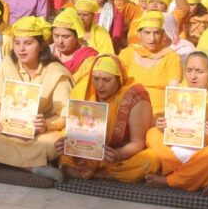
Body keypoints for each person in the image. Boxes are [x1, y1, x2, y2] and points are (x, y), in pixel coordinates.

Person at [0, 16, 74, 181]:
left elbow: (65, 116)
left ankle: (1, 158)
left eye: (28, 43)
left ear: (42, 45)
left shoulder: (56, 73)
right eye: (17, 43)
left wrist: (46, 124)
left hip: (38, 134)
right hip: (7, 129)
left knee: (55, 142)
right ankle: (31, 166)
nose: (21, 49)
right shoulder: (7, 64)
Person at [144, 50, 208, 191]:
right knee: (152, 133)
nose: (193, 77)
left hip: (207, 152)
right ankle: (198, 177)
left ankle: (171, 180)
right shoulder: (179, 92)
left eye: (199, 71)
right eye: (189, 70)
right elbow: (170, 125)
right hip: (178, 151)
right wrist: (163, 125)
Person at [56, 54, 154, 182]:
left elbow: (138, 143)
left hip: (123, 152)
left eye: (106, 80)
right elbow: (76, 130)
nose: (99, 85)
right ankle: (100, 172)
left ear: (119, 79)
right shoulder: (85, 90)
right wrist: (66, 143)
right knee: (64, 154)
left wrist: (119, 154)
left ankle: (98, 172)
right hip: (90, 150)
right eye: (95, 78)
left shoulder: (135, 97)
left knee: (150, 160)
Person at [118, 10, 182, 114]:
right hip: (129, 111)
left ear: (162, 35)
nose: (152, 38)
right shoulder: (127, 53)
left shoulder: (171, 56)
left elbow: (173, 89)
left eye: (156, 33)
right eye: (147, 33)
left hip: (159, 114)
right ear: (139, 34)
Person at [50, 8, 99, 83]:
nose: (60, 41)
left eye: (65, 37)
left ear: (77, 37)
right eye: (56, 36)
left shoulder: (88, 58)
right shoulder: (47, 52)